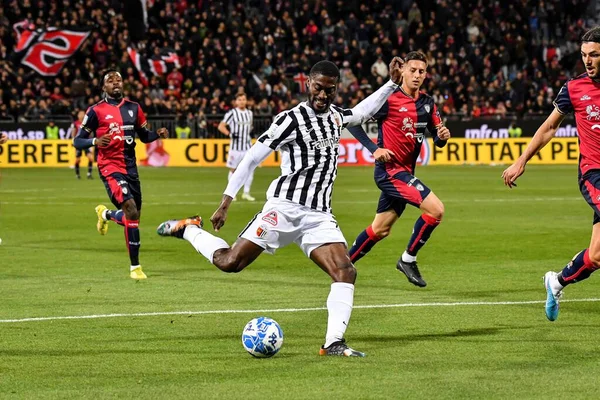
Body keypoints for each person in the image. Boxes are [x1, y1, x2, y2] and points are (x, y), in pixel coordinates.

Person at [157, 58, 404, 357]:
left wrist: (392, 83)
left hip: (318, 216)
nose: (323, 96)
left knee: (345, 271)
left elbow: (363, 111)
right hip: (283, 209)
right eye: (318, 88)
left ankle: (334, 342)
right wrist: (226, 202)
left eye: (330, 90)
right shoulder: (290, 119)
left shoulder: (336, 117)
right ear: (308, 84)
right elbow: (251, 159)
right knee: (230, 262)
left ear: (336, 89)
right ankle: (190, 230)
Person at [502, 26, 600, 321]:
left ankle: (556, 281)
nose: (588, 61)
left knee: (596, 256)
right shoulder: (574, 88)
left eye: (594, 55)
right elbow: (548, 127)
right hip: (593, 173)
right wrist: (522, 160)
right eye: (584, 55)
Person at [347, 51, 451, 288]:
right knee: (436, 210)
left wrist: (443, 137)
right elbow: (352, 122)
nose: (416, 75)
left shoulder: (427, 102)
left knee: (380, 229)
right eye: (412, 70)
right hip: (390, 173)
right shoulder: (388, 99)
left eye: (421, 71)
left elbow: (438, 137)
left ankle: (343, 264)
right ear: (402, 70)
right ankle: (408, 259)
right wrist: (374, 149)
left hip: (406, 174)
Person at [74, 69, 169, 280]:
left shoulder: (134, 108)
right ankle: (135, 267)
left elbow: (144, 136)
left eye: (119, 79)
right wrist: (95, 141)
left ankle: (105, 214)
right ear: (103, 87)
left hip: (131, 169)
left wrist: (157, 134)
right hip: (109, 167)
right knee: (131, 211)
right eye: (110, 80)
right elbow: (77, 141)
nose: (116, 82)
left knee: (132, 218)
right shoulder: (95, 111)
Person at [218, 93, 256, 201]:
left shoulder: (249, 113)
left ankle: (246, 192)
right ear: (236, 101)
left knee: (250, 169)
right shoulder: (232, 113)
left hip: (247, 146)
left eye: (244, 99)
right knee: (233, 170)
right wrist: (229, 134)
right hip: (235, 147)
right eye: (239, 99)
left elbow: (250, 127)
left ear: (246, 101)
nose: (242, 101)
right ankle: (231, 194)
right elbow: (221, 126)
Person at [69, 110, 94, 179]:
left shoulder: (87, 123)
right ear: (78, 115)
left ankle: (89, 174)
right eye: (80, 114)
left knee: (91, 158)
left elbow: (91, 134)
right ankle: (77, 175)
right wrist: (74, 141)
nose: (82, 115)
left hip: (86, 142)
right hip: (79, 143)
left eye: (83, 114)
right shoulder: (75, 123)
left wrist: (91, 143)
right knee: (78, 160)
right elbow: (73, 133)